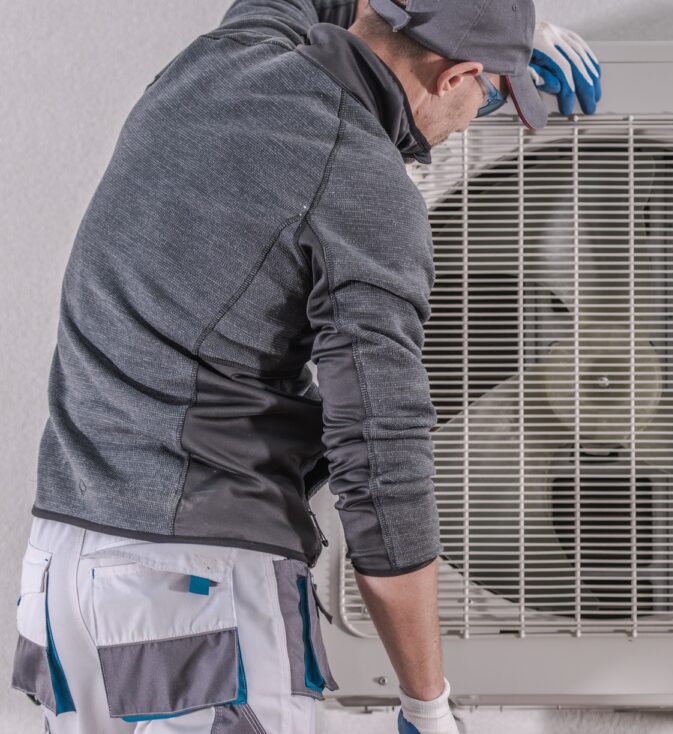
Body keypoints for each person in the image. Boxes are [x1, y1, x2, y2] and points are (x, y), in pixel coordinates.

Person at [9, 1, 601, 732]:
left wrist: (508, 25)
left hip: (61, 575)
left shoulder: (227, 54)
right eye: (491, 94)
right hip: (196, 595)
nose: (480, 114)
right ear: (459, 74)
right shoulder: (362, 181)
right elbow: (382, 472)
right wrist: (427, 703)